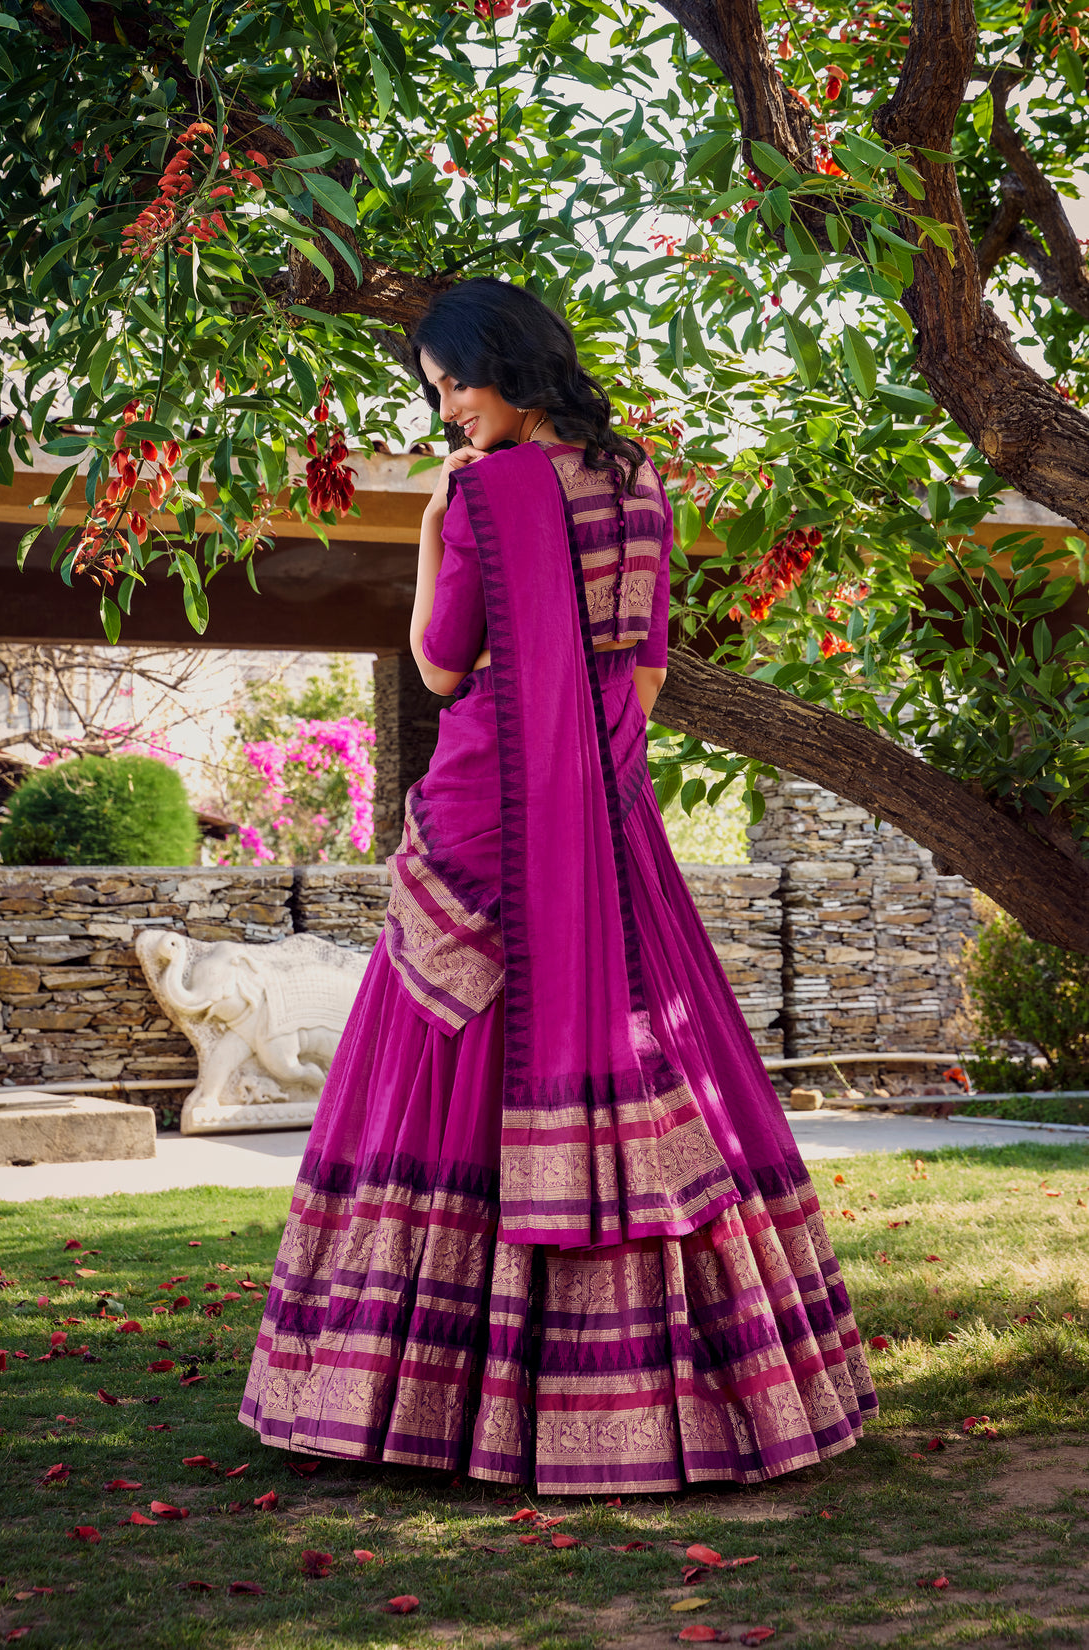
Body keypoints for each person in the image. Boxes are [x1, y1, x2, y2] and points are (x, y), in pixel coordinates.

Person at [240, 277, 876, 1493]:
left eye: (455, 388)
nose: (447, 417)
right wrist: (592, 802)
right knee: (637, 1048)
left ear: (510, 371)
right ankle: (696, 1394)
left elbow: (438, 669)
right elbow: (641, 672)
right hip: (605, 806)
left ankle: (426, 1398)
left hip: (491, 806)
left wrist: (431, 531)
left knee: (444, 1062)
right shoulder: (642, 483)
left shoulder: (485, 491)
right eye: (435, 396)